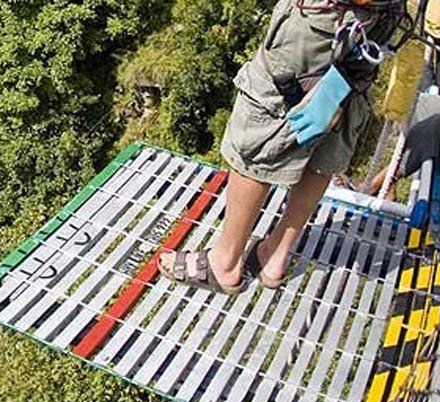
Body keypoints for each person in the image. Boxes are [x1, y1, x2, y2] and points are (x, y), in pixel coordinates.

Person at [159, 0, 402, 292]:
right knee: (333, 112)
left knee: (261, 126)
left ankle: (225, 263)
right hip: (381, 14)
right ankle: (274, 255)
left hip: (324, 18)